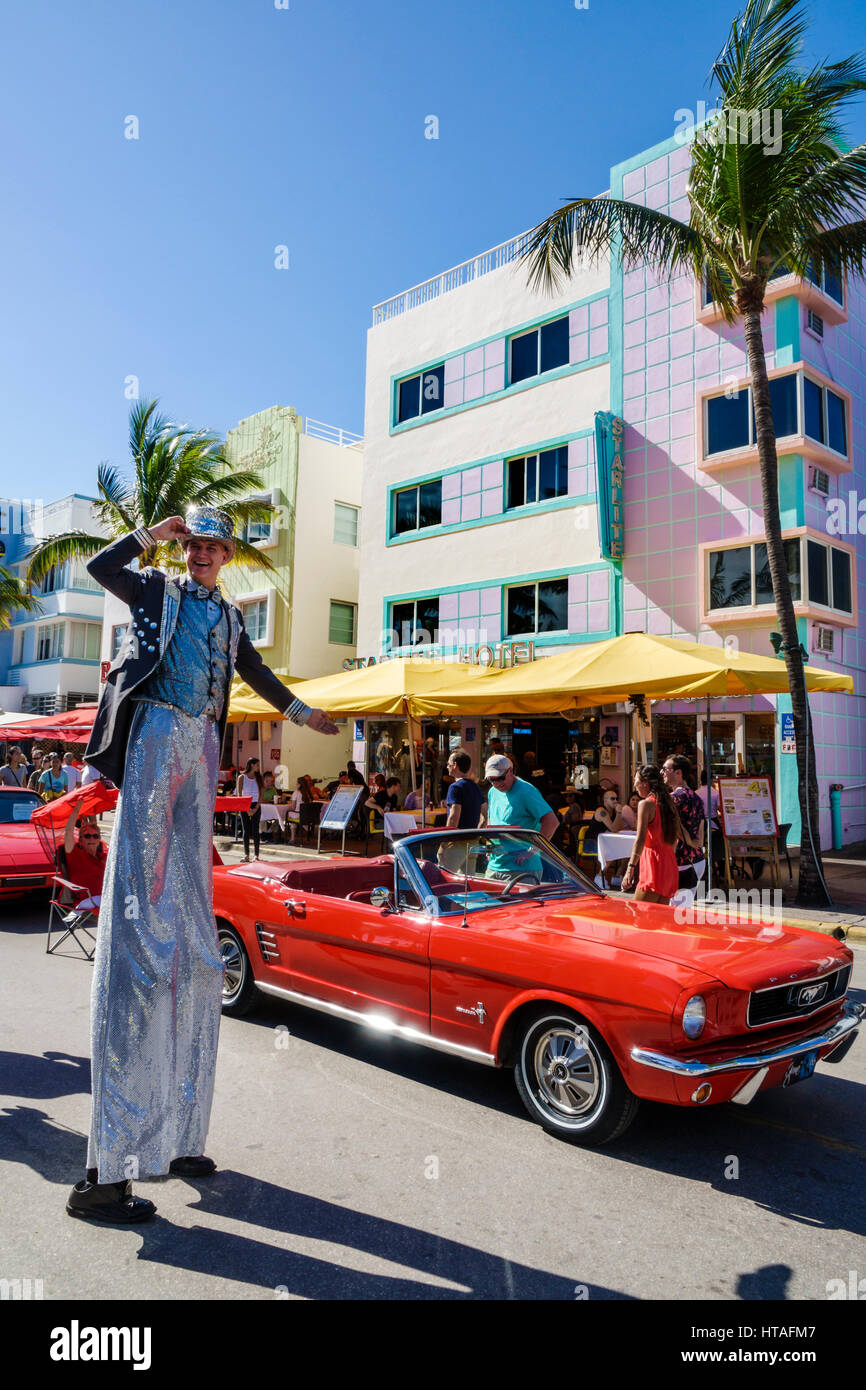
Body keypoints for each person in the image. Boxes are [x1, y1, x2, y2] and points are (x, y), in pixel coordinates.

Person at [67, 506, 338, 1226]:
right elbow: (101, 571)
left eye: (213, 547)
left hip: (204, 747)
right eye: (195, 546)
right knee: (144, 921)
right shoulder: (159, 590)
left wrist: (303, 713)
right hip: (158, 729)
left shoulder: (229, 618)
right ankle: (111, 1166)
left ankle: (179, 1134)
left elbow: (254, 672)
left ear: (227, 556)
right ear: (186, 549)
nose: (203, 556)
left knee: (194, 941)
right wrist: (150, 536)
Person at [621, 765, 692, 904]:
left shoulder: (646, 804)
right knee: (660, 919)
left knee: (640, 915)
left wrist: (630, 868)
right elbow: (675, 837)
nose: (634, 784)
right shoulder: (668, 803)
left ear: (645, 783)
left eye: (636, 780)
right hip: (669, 862)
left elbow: (640, 839)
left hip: (653, 863)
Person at [483, 754, 560, 878]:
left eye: (500, 778)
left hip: (522, 868)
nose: (496, 783)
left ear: (511, 771)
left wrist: (531, 851)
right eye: (491, 780)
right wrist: (488, 845)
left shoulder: (526, 790)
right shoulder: (493, 792)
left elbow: (552, 822)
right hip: (494, 865)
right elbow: (491, 822)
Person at [662, 755, 706, 890]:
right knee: (685, 907)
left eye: (665, 769)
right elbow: (701, 825)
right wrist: (697, 845)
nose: (661, 772)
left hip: (680, 861)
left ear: (678, 772)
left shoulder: (674, 798)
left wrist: (690, 842)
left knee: (674, 908)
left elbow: (674, 826)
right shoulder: (697, 797)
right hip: (697, 860)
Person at [63, 799, 107, 910]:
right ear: (80, 841)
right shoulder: (75, 854)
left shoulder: (104, 856)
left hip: (106, 896)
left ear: (99, 840)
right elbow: (68, 831)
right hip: (88, 900)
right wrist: (77, 809)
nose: (92, 838)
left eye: (95, 836)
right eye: (87, 836)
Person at [445, 750, 484, 830]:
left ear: (455, 765)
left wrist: (447, 839)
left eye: (448, 764)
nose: (447, 767)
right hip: (472, 838)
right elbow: (485, 814)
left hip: (458, 838)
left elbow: (453, 817)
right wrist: (478, 833)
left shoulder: (455, 787)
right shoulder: (476, 787)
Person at [237, 757, 263, 861]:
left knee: (255, 829)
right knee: (246, 830)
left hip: (256, 804)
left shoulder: (259, 777)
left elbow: (261, 794)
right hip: (244, 804)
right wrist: (246, 808)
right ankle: (246, 854)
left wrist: (256, 807)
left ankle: (256, 855)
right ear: (252, 765)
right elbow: (239, 794)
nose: (258, 767)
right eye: (257, 765)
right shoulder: (242, 777)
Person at [287, 777, 313, 844]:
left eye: (297, 783)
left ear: (299, 784)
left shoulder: (296, 793)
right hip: (308, 816)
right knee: (296, 815)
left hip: (299, 815)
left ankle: (292, 838)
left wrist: (289, 807)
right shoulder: (308, 793)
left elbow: (293, 807)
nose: (296, 784)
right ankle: (307, 829)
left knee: (291, 815)